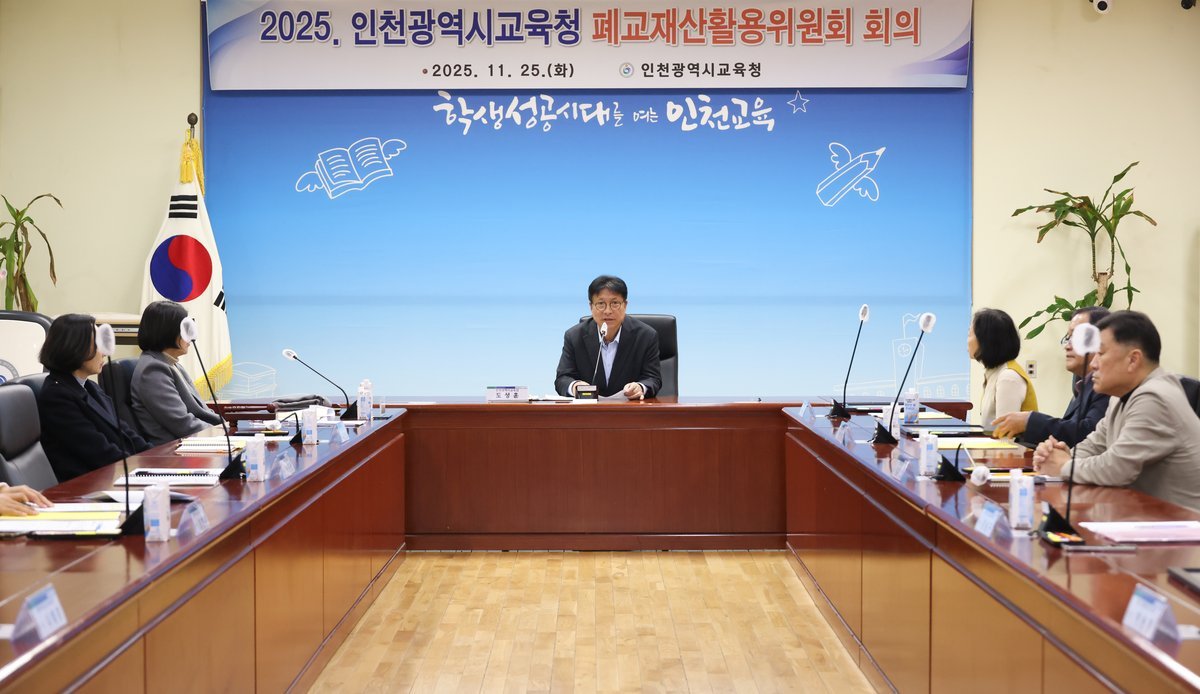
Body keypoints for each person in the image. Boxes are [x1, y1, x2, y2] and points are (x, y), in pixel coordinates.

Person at [1033, 311, 1200, 512]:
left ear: (1133, 360)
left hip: (1182, 524)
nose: (1093, 364)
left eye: (1101, 353)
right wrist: (1059, 455)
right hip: (1145, 516)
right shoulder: (1121, 396)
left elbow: (1116, 468)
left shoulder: (1155, 397)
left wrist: (1063, 466)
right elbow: (1095, 445)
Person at [38, 314, 151, 482]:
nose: (104, 353)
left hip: (112, 477)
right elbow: (99, 452)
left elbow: (124, 433)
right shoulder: (56, 397)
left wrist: (155, 457)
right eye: (98, 345)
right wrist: (143, 470)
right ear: (76, 347)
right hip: (86, 487)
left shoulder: (90, 387)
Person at [991, 306, 1111, 445]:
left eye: (1076, 337)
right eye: (1068, 338)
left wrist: (1030, 421)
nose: (1067, 346)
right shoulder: (1082, 385)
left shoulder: (1109, 385)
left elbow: (1089, 434)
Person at [131, 300, 224, 444]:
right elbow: (183, 423)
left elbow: (201, 411)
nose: (190, 336)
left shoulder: (171, 364)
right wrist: (222, 435)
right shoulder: (152, 370)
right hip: (174, 450)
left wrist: (225, 429)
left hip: (195, 442)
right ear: (168, 331)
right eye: (185, 329)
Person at [555, 275, 662, 400]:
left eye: (615, 303)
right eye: (601, 304)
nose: (607, 311)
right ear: (591, 307)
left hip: (629, 408)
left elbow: (653, 378)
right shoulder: (574, 336)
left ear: (625, 305)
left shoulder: (646, 336)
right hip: (589, 410)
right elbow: (562, 378)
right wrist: (575, 386)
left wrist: (640, 387)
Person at [968, 308, 1037, 426]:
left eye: (970, 334)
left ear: (985, 340)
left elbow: (1004, 433)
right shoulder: (995, 372)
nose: (967, 340)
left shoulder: (1008, 377)